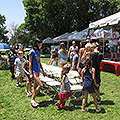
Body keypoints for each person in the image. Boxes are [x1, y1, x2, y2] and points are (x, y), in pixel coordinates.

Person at [29, 38, 45, 108]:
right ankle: (32, 99)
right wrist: (30, 73)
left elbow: (39, 62)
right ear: (37, 44)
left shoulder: (38, 52)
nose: (41, 45)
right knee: (40, 85)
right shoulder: (32, 52)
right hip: (34, 71)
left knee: (35, 86)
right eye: (40, 44)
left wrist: (43, 71)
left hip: (38, 71)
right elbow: (30, 63)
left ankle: (33, 99)